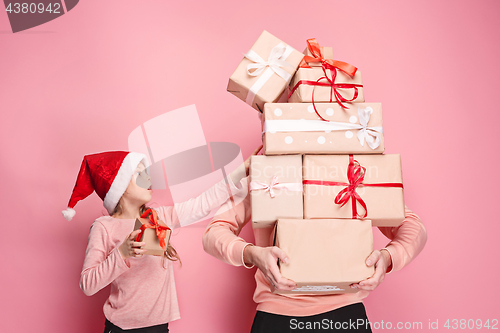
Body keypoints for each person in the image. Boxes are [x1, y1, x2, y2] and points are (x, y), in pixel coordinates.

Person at [203, 176, 427, 332]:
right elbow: (213, 233)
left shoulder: (354, 174)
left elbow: (413, 226)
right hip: (278, 316)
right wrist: (252, 254)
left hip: (344, 315)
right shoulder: (265, 174)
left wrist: (389, 257)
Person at [62, 150, 254, 332]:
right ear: (119, 187)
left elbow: (202, 204)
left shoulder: (160, 217)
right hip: (121, 328)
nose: (149, 179)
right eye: (139, 174)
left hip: (159, 327)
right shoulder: (104, 226)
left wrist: (239, 173)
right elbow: (87, 284)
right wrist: (122, 253)